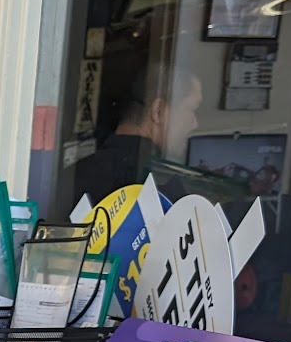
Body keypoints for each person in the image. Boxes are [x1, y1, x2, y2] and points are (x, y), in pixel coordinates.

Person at [71, 20, 203, 214]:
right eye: (191, 109)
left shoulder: (78, 173)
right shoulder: (162, 185)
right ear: (158, 111)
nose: (194, 123)